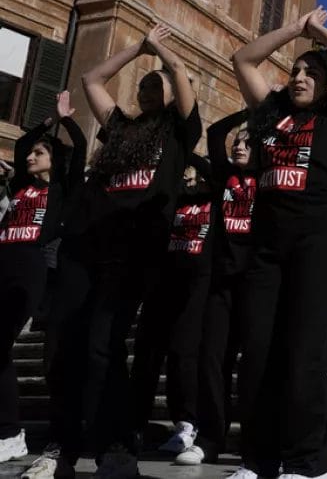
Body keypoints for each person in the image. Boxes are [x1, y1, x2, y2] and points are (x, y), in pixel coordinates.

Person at [56, 24, 201, 479]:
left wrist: (159, 49)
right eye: (143, 84)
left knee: (104, 344)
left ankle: (117, 443)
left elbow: (178, 70)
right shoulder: (120, 128)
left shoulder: (179, 132)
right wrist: (135, 48)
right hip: (93, 249)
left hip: (138, 253)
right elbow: (92, 80)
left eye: (156, 84)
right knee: (84, 347)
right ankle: (97, 439)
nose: (147, 88)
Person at [231, 5, 327, 479]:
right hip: (268, 246)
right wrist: (291, 31)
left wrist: (318, 33)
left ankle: (308, 464)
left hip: (320, 244)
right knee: (259, 353)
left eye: (310, 73)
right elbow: (244, 60)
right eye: (295, 69)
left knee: (305, 353)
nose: (300, 77)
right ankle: (259, 460)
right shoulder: (270, 113)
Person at [0, 92, 85, 465]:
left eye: (40, 153)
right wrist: (48, 120)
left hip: (29, 267)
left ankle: (11, 432)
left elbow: (80, 147)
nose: (31, 156)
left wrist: (65, 120)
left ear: (54, 160)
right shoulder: (20, 187)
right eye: (32, 153)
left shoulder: (60, 191)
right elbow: (19, 144)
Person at [129, 156, 214, 461]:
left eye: (195, 175)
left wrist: (184, 152)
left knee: (183, 354)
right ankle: (134, 424)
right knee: (146, 357)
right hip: (163, 282)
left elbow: (211, 170)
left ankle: (186, 424)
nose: (191, 179)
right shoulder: (174, 200)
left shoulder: (214, 198)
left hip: (197, 285)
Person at [183, 110, 256, 466]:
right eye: (239, 143)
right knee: (212, 359)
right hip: (221, 281)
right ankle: (210, 435)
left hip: (256, 282)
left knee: (255, 364)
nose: (241, 147)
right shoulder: (224, 176)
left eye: (248, 143)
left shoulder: (269, 180)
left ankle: (254, 442)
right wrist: (250, 112)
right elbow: (214, 134)